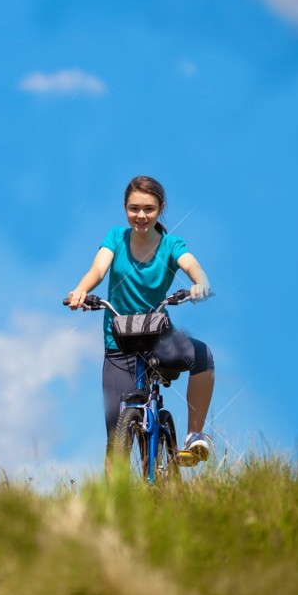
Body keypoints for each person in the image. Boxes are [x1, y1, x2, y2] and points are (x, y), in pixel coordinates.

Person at [65, 176, 215, 465]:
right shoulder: (115, 239)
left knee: (203, 356)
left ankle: (194, 435)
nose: (141, 215)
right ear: (125, 208)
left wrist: (200, 283)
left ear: (161, 208)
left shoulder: (171, 245)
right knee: (116, 437)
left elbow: (192, 265)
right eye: (134, 208)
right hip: (118, 342)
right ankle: (116, 503)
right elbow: (97, 269)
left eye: (148, 208)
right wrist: (83, 289)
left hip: (159, 340)